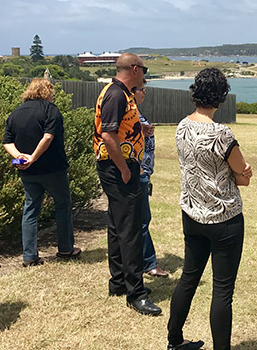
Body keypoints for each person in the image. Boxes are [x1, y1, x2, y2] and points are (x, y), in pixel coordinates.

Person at [168, 68, 252, 350]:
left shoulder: (182, 127)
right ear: (221, 97)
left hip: (192, 214)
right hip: (224, 218)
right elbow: (242, 174)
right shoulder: (222, 134)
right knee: (222, 291)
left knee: (189, 277)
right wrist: (242, 176)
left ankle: (174, 340)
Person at [94, 53, 160, 316]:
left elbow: (118, 129)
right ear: (134, 69)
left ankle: (119, 281)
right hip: (119, 167)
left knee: (118, 224)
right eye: (143, 69)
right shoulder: (116, 94)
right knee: (131, 228)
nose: (145, 73)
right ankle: (136, 292)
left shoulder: (122, 93)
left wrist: (138, 131)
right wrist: (123, 169)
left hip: (120, 164)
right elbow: (108, 135)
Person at [3, 78, 81, 267]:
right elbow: (48, 137)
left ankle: (29, 256)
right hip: (52, 168)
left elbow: (7, 141)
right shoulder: (50, 110)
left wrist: (20, 157)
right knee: (62, 205)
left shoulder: (16, 113)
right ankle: (65, 248)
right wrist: (34, 157)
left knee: (30, 209)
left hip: (27, 171)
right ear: (47, 92)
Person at [132, 83, 169, 278]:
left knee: (141, 219)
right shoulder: (130, 114)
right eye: (141, 90)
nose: (144, 93)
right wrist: (138, 168)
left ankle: (142, 260)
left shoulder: (136, 112)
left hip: (143, 171)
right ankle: (148, 263)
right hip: (138, 172)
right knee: (142, 219)